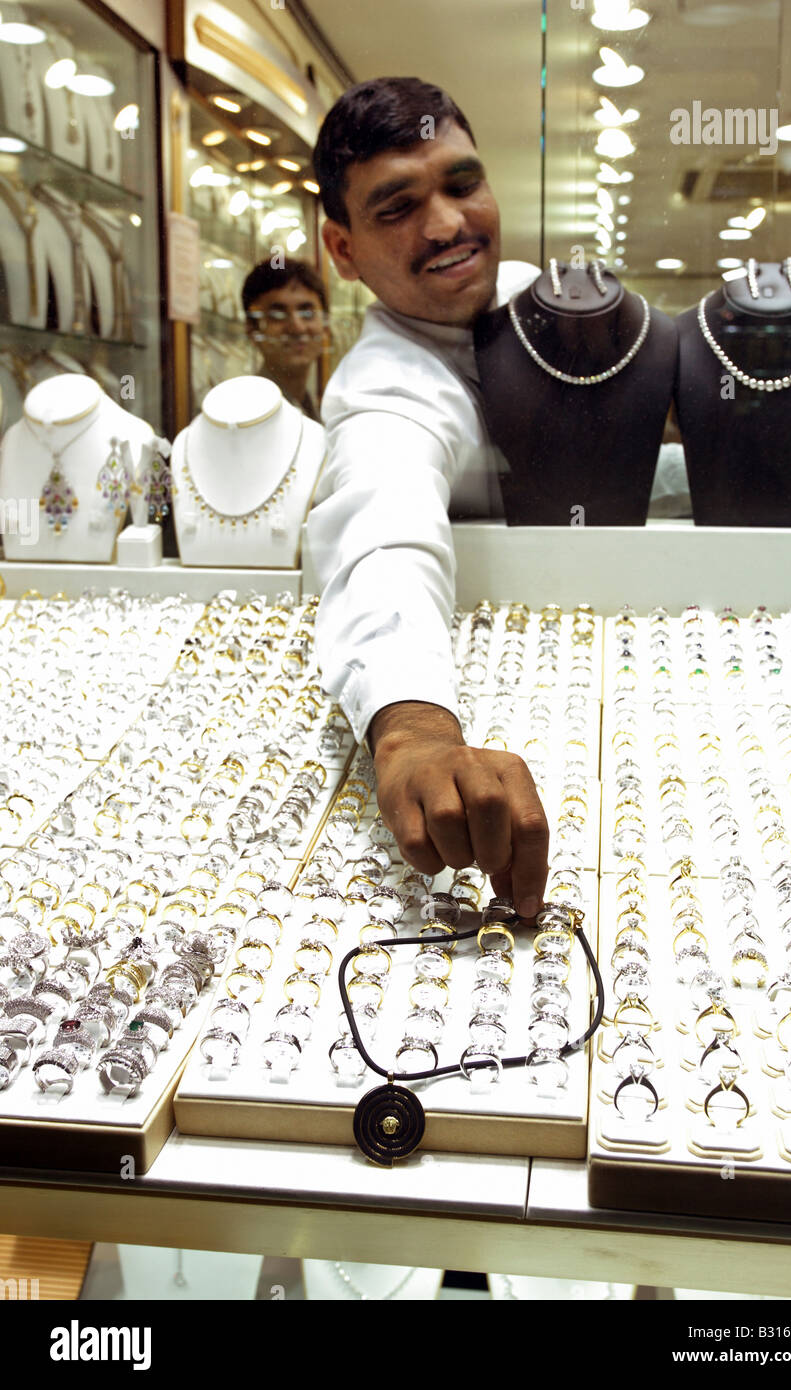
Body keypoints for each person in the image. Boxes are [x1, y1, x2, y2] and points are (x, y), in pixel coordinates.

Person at [306, 77, 551, 918]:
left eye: (460, 183)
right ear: (342, 251)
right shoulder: (381, 390)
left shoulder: (548, 302)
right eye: (397, 207)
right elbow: (384, 531)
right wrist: (414, 731)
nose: (446, 224)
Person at [241, 259, 328, 422]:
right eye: (277, 315)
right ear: (252, 329)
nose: (297, 328)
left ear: (325, 326)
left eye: (307, 313)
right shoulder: (245, 415)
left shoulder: (316, 410)